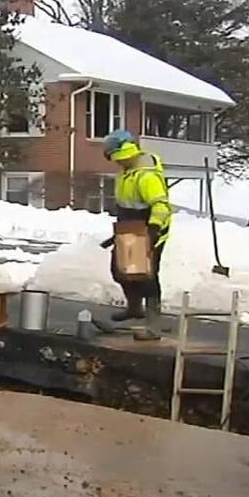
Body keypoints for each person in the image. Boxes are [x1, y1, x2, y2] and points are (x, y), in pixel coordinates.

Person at [100, 129, 172, 341]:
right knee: (120, 270)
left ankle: (154, 325)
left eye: (116, 158)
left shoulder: (146, 175)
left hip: (149, 229)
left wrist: (154, 229)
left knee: (145, 276)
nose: (116, 164)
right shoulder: (126, 172)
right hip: (129, 228)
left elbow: (161, 206)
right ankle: (134, 308)